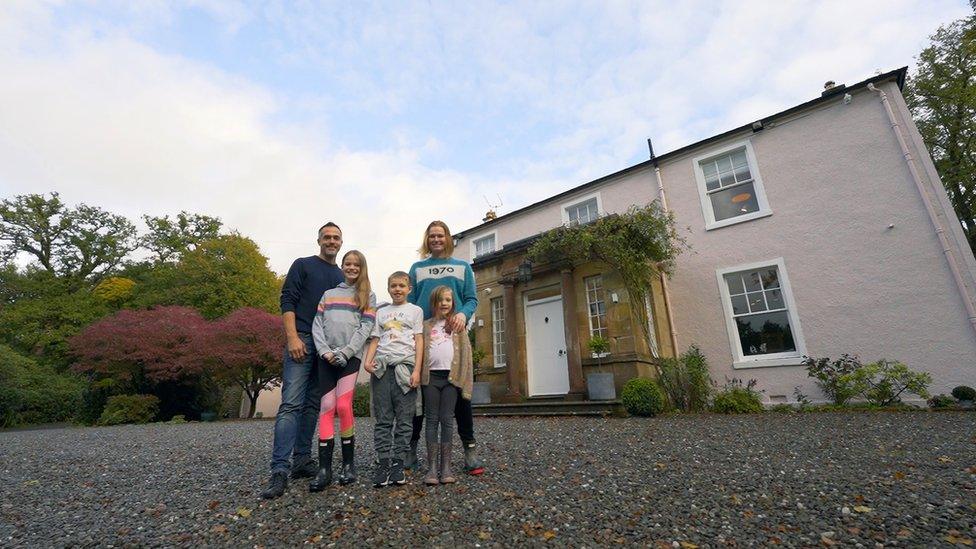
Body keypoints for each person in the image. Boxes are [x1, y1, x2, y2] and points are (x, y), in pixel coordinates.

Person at [262, 222, 344, 500]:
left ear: (341, 242)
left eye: (336, 238)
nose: (331, 241)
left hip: (326, 347)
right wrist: (293, 337)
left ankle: (301, 460)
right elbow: (287, 301)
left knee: (312, 405)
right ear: (319, 240)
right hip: (302, 339)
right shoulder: (303, 265)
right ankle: (279, 469)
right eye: (327, 237)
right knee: (291, 404)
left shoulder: (342, 275)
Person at [407, 220, 484, 476]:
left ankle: (469, 449)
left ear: (448, 238)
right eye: (432, 236)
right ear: (427, 240)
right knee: (418, 394)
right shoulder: (417, 268)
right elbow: (409, 302)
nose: (436, 240)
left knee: (460, 394)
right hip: (424, 337)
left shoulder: (462, 267)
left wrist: (462, 314)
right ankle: (411, 449)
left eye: (440, 236)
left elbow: (472, 299)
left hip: (455, 337)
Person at [308, 250, 376, 491]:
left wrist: (347, 352)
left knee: (344, 406)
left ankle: (349, 465)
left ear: (362, 268)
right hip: (326, 357)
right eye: (348, 264)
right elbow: (317, 325)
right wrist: (324, 351)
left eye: (356, 265)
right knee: (326, 407)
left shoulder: (367, 296)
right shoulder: (328, 294)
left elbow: (365, 329)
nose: (351, 268)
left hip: (350, 358)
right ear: (343, 266)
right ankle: (324, 469)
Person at [363, 271, 424, 488]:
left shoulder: (415, 311)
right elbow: (375, 339)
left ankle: (399, 462)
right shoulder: (381, 312)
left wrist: (417, 370)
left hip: (405, 369)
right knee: (383, 418)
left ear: (409, 289)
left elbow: (419, 341)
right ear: (388, 288)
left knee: (405, 419)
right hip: (382, 369)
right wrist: (367, 361)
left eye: (401, 286)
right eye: (393, 286)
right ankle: (383, 462)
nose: (397, 289)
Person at [420, 286, 474, 485]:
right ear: (433, 303)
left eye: (448, 300)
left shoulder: (458, 326)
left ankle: (447, 466)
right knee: (432, 419)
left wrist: (465, 382)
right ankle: (432, 467)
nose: (444, 303)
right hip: (431, 379)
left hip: (451, 380)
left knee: (447, 420)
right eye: (440, 300)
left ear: (453, 303)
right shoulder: (426, 326)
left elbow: (466, 356)